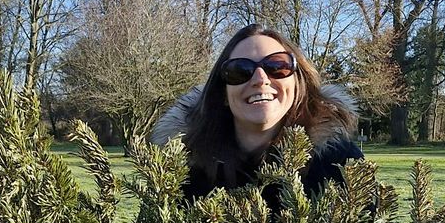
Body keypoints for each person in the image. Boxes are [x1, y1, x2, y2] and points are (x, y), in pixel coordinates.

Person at [150, 24, 362, 200]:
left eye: (277, 66)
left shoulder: (342, 165)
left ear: (298, 83)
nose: (261, 79)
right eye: (239, 70)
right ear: (223, 93)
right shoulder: (180, 171)